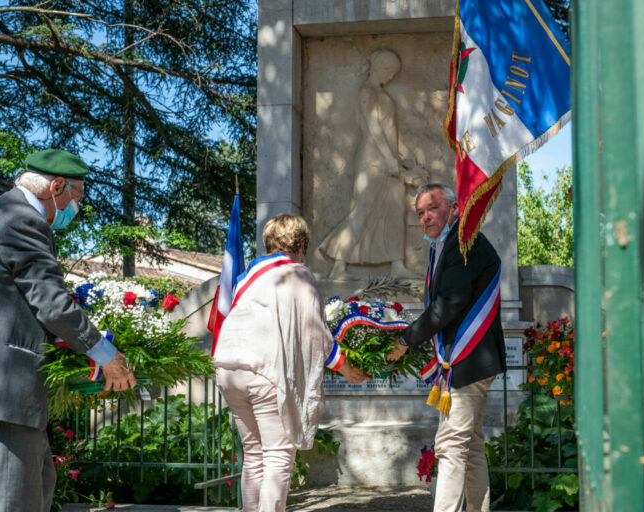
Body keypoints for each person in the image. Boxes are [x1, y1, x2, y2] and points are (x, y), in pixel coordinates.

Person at [0, 149, 136, 512]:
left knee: (41, 486)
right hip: (8, 399)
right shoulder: (20, 219)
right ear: (56, 186)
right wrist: (106, 355)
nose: (77, 206)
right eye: (77, 196)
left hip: (15, 401)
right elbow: (50, 302)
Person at [213, 214, 370, 512]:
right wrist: (346, 367)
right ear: (301, 245)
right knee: (277, 457)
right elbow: (314, 333)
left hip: (228, 369)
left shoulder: (248, 276)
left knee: (254, 455)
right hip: (264, 373)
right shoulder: (297, 273)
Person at [387, 184, 506, 512]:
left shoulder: (462, 243)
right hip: (471, 362)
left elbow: (447, 305)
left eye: (432, 208)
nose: (425, 218)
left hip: (469, 360)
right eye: (420, 213)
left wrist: (404, 340)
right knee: (469, 448)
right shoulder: (445, 246)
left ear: (454, 209)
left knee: (451, 446)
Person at [319, 49, 412, 278]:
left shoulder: (381, 93)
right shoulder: (367, 92)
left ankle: (397, 265)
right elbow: (373, 127)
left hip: (389, 163)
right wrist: (388, 159)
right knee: (361, 211)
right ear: (380, 68)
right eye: (390, 72)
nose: (391, 77)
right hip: (372, 161)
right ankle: (338, 266)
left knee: (395, 210)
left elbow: (390, 133)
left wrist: (398, 161)